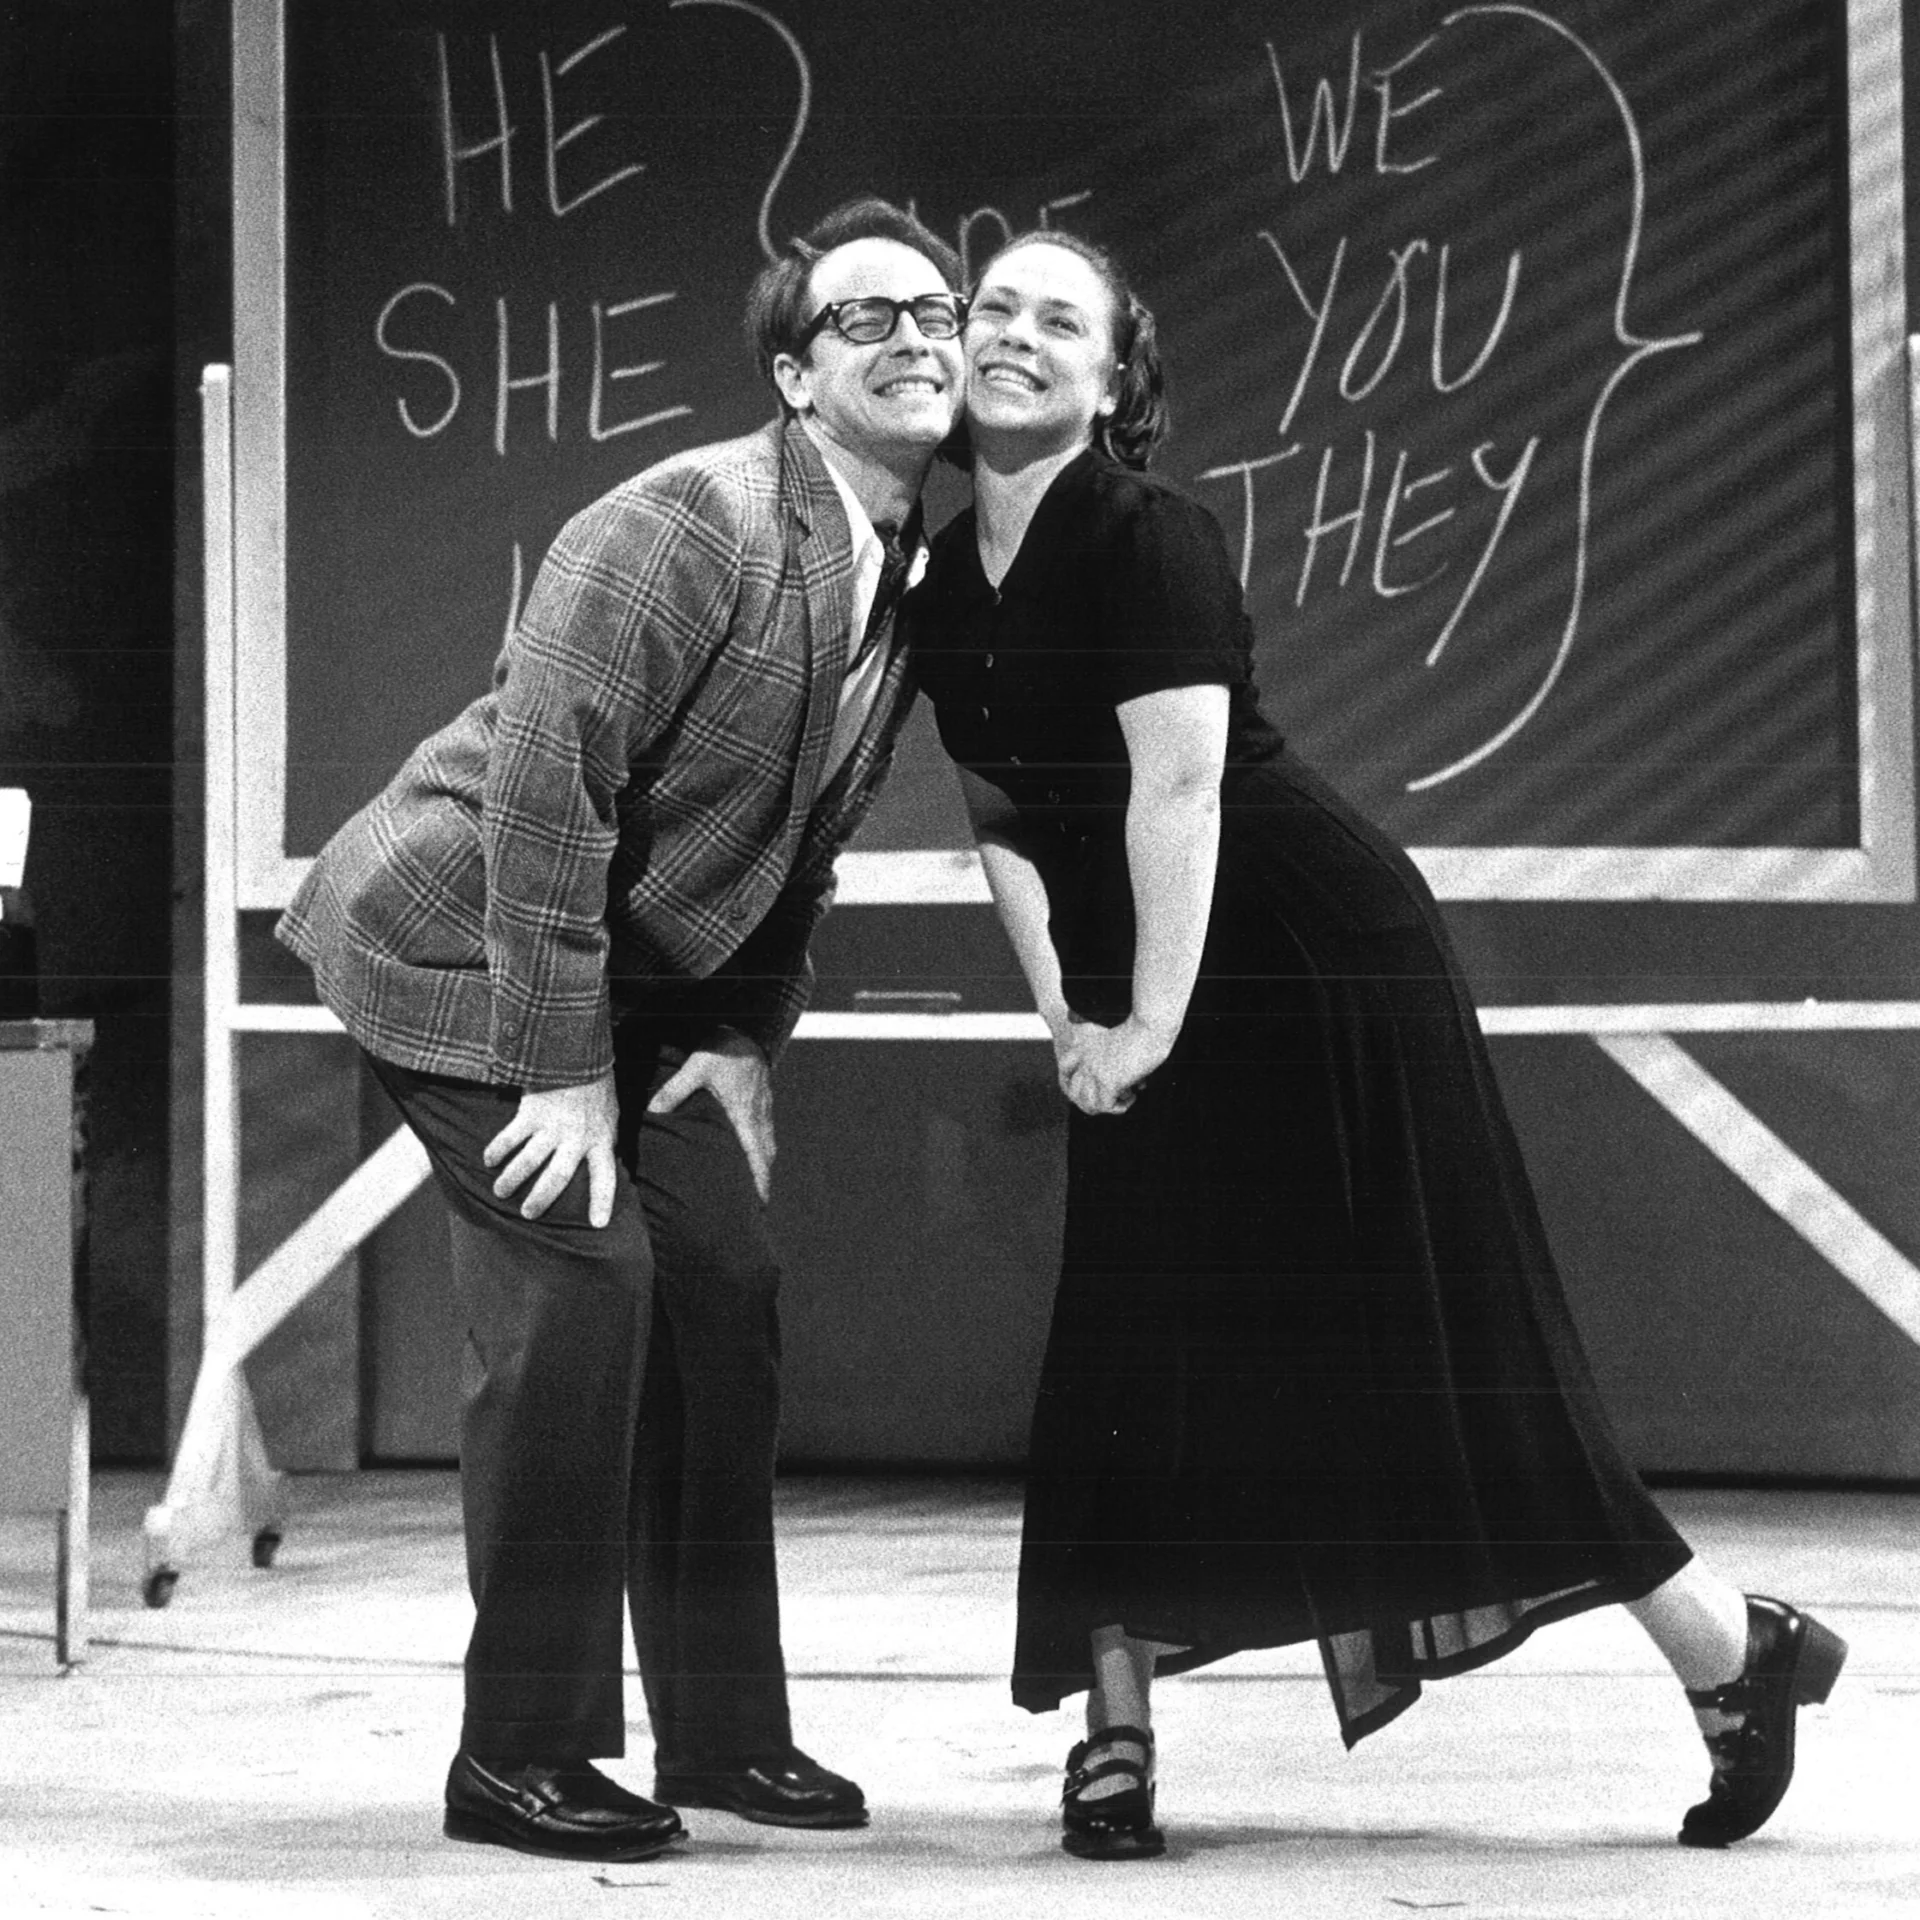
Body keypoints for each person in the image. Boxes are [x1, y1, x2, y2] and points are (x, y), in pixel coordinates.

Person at [905, 229, 1847, 1861]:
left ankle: (1732, 1657)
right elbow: (1002, 813)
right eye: (995, 308)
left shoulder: (1152, 534)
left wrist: (1146, 1028)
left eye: (1064, 321)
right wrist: (1064, 1007)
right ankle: (1114, 1735)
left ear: (1118, 381)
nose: (1015, 335)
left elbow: (1179, 792)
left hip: (1308, 960)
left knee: (1439, 1345)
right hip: (1149, 962)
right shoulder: (935, 575)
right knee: (1126, 1348)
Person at [277, 196, 966, 1863]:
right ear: (797, 378)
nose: (918, 336)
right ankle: (519, 1752)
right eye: (866, 318)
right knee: (587, 1289)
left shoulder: (903, 570)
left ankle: (723, 1737)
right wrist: (562, 1067)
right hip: (457, 946)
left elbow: (807, 832)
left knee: (722, 1290)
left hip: (639, 998)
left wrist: (747, 1034)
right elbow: (540, 794)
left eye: (935, 308)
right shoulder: (691, 519)